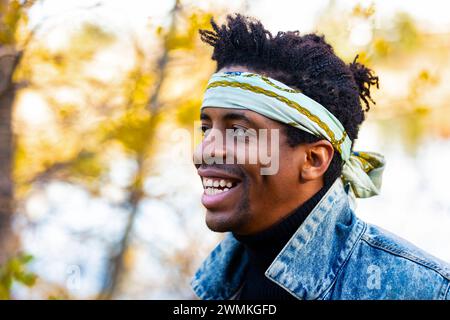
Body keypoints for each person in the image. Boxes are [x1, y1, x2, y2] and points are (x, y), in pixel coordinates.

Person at [190, 14, 450, 300]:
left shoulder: (423, 291)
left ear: (314, 160)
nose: (204, 152)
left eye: (238, 132)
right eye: (205, 129)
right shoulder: (212, 284)